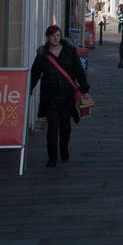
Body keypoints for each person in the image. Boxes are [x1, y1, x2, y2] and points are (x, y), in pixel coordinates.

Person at [30, 25, 89, 167]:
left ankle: (63, 148)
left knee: (65, 127)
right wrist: (28, 89)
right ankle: (52, 157)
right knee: (52, 127)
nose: (55, 38)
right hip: (50, 97)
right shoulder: (42, 54)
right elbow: (35, 74)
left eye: (57, 35)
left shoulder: (70, 51)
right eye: (52, 36)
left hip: (67, 95)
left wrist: (84, 88)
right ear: (47, 37)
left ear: (60, 36)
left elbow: (79, 71)